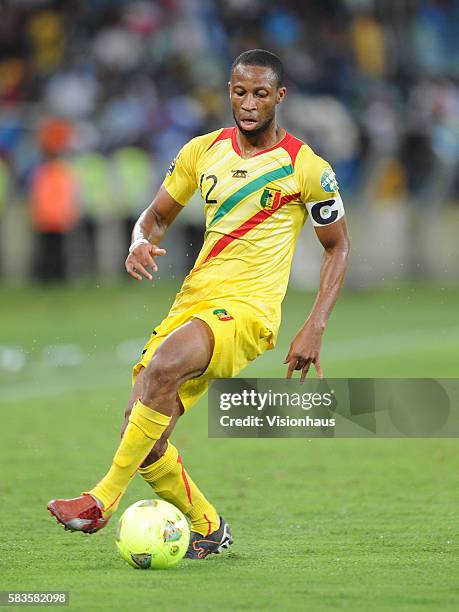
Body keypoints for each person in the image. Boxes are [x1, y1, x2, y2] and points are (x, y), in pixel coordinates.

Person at [47, 49, 350, 559]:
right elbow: (156, 215)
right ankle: (209, 527)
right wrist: (138, 239)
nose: (248, 103)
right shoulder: (202, 151)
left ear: (280, 96)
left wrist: (315, 324)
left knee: (163, 367)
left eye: (259, 93)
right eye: (238, 91)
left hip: (249, 312)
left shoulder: (307, 168)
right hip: (193, 301)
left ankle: (101, 499)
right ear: (227, 91)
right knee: (143, 435)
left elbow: (338, 244)